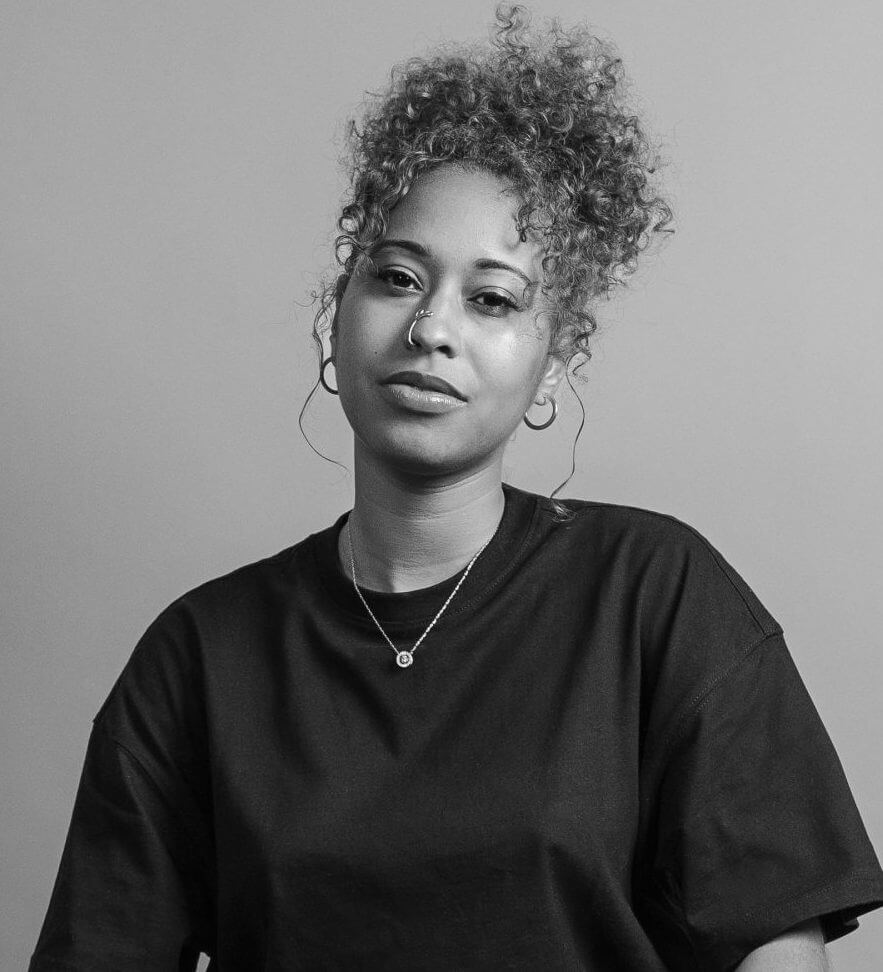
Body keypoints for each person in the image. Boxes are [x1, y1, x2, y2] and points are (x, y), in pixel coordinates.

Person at [30, 5, 883, 970]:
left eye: (491, 299)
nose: (433, 327)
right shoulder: (199, 659)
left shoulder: (654, 597)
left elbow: (776, 951)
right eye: (396, 277)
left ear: (551, 367)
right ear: (333, 324)